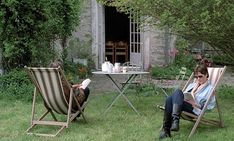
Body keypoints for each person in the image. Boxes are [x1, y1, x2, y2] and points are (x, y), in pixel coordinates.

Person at [159, 64, 215, 139]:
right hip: (183, 105)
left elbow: (210, 107)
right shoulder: (192, 85)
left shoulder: (210, 89)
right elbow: (181, 96)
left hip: (194, 109)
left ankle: (167, 129)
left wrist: (196, 104)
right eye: (196, 77)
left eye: (200, 76)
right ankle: (174, 123)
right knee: (171, 98)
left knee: (173, 96)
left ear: (206, 75)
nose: (198, 79)